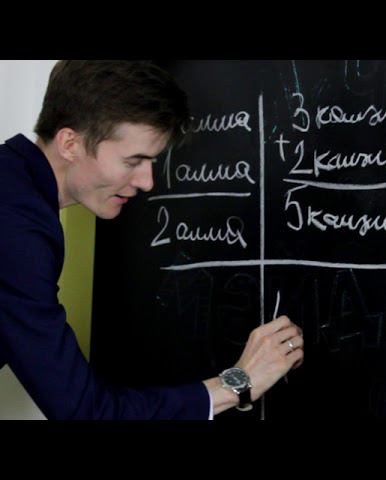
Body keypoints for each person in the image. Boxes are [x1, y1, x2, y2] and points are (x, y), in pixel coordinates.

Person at [0, 60, 304, 420]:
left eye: (152, 162)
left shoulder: (13, 184)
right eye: (133, 161)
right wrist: (238, 383)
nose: (147, 182)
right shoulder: (19, 229)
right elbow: (85, 412)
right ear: (70, 143)